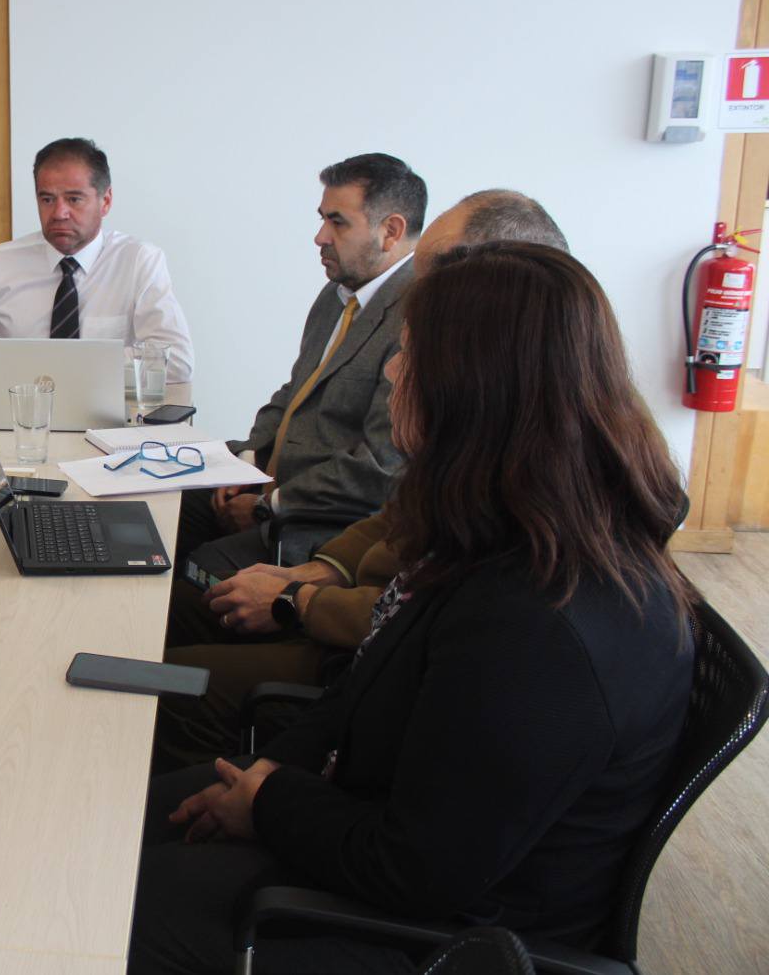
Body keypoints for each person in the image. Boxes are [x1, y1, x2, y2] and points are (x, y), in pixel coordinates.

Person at [130, 240, 695, 974]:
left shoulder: (540, 622)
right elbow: (359, 695)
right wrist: (265, 772)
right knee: (118, 830)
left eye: (411, 355)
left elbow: (419, 870)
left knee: (107, 911)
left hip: (440, 938)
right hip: (365, 830)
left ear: (475, 389)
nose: (394, 372)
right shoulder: (495, 526)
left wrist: (268, 802)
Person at [155, 190, 570, 771]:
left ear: (499, 296)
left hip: (360, 661)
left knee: (170, 679)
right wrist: (315, 568)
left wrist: (295, 594)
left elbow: (409, 619)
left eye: (435, 272)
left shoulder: (529, 482)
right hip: (341, 602)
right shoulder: (475, 430)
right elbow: (394, 513)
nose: (398, 364)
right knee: (171, 597)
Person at [169, 153, 424, 647]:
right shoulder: (337, 295)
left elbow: (379, 465)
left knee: (185, 591)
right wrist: (247, 461)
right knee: (161, 503)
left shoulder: (416, 312)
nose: (320, 237)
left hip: (321, 520)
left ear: (391, 231)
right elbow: (293, 392)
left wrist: (270, 503)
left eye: (337, 222)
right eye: (322, 218)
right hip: (269, 483)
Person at [0, 137, 193, 383]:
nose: (59, 213)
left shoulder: (138, 261)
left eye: (74, 199)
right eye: (47, 199)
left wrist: (73, 365)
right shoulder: (0, 263)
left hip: (106, 407)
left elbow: (177, 361)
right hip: (21, 404)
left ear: (105, 201)